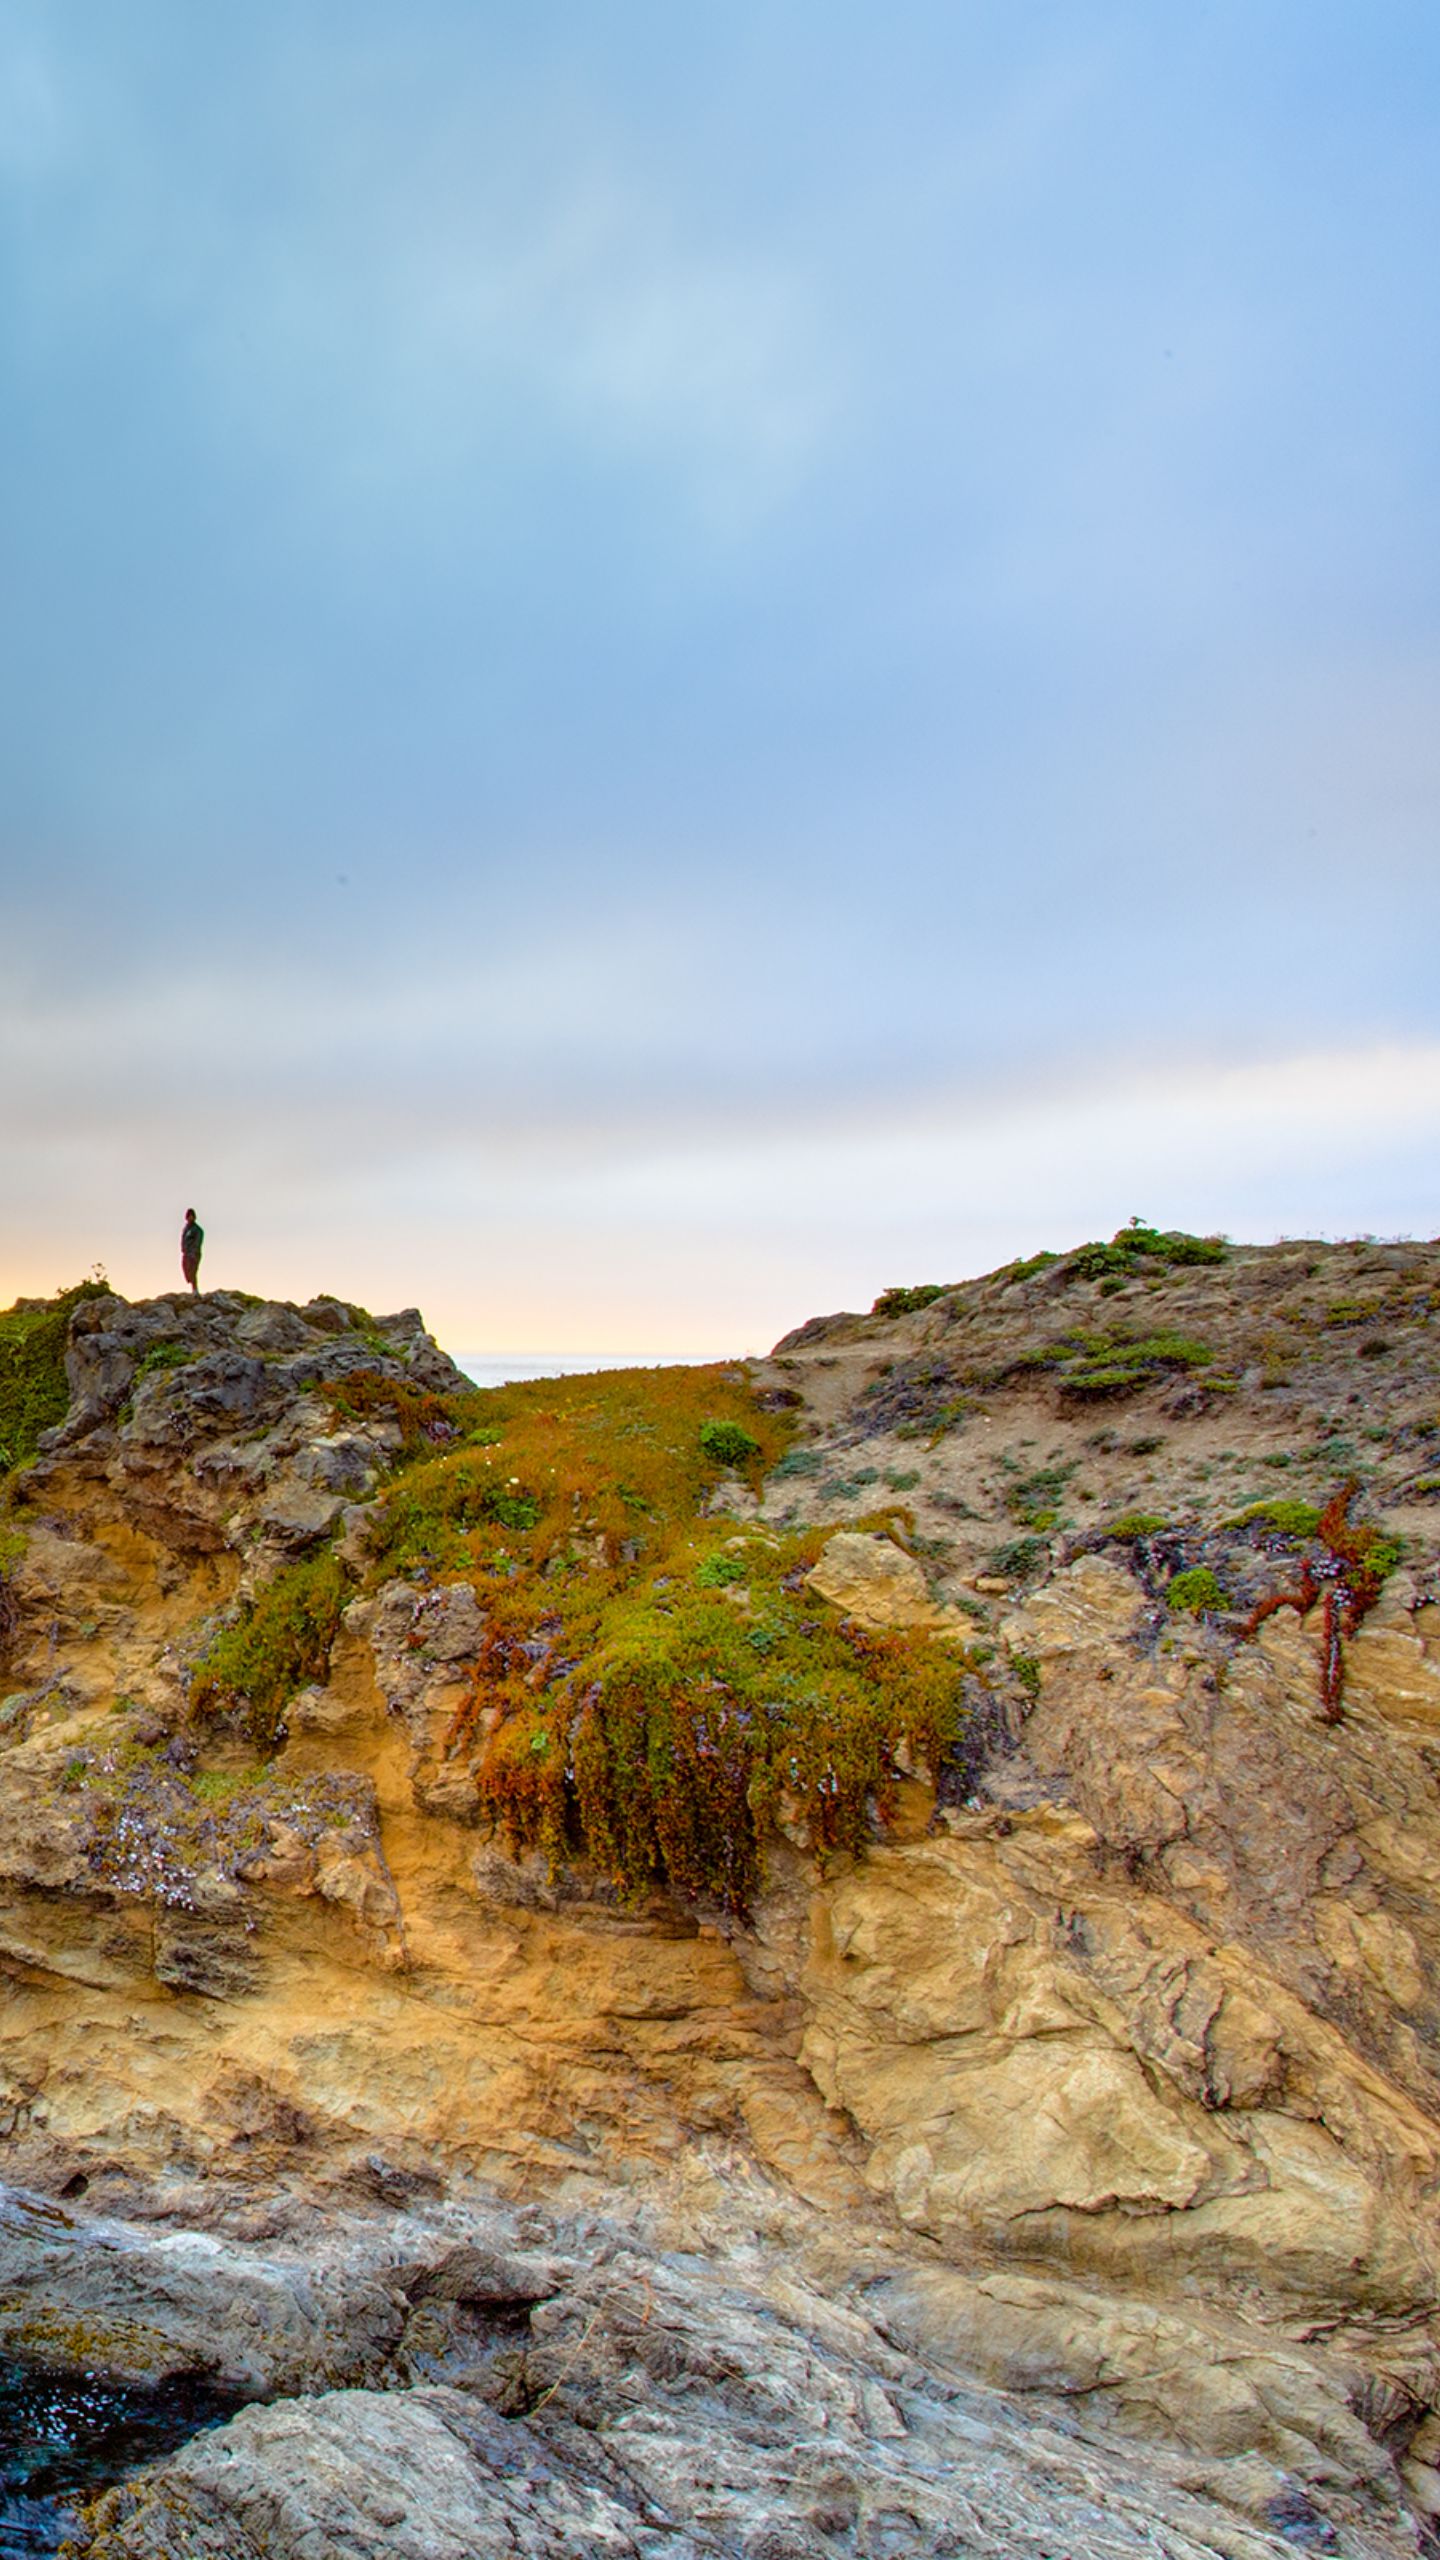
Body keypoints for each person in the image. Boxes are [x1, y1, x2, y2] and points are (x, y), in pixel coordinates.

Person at [180, 1208, 204, 1293]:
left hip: (195, 1254)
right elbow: (183, 1239)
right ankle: (191, 1283)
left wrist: (193, 1252)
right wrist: (183, 1249)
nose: (190, 1218)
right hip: (186, 1254)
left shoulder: (198, 1229)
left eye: (192, 1216)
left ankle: (195, 1290)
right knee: (185, 1269)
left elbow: (198, 1242)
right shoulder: (185, 1229)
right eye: (189, 1216)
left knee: (193, 1272)